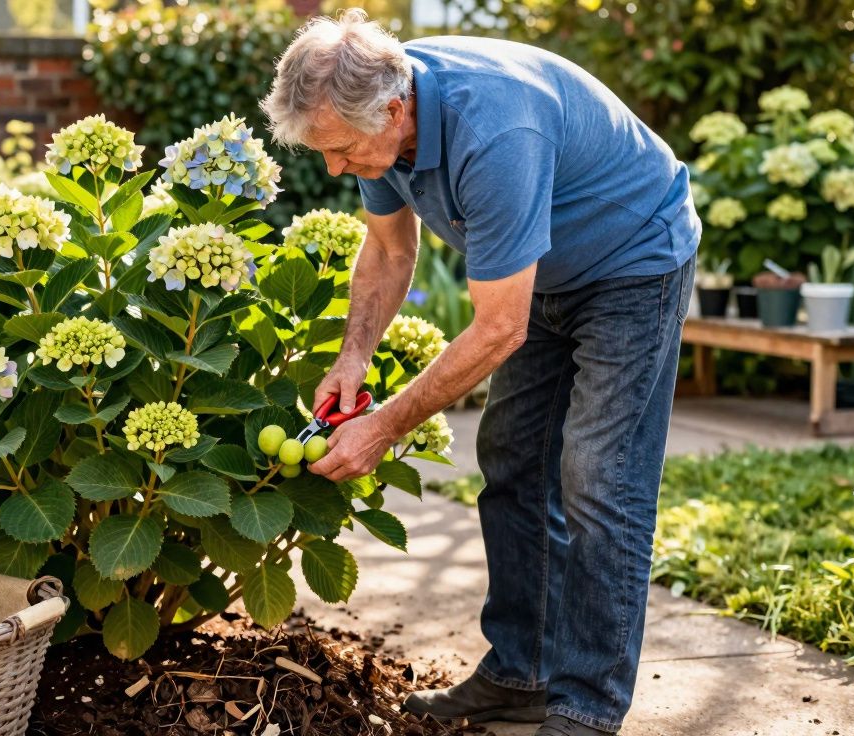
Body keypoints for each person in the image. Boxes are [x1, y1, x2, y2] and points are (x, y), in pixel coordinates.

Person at [261, 10, 698, 736]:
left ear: (396, 110)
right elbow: (389, 253)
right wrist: (353, 356)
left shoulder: (493, 131)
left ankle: (587, 705)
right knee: (511, 456)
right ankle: (521, 673)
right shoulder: (381, 129)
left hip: (632, 259)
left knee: (598, 475)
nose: (334, 169)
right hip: (542, 272)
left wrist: (385, 426)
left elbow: (500, 327)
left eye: (338, 150)